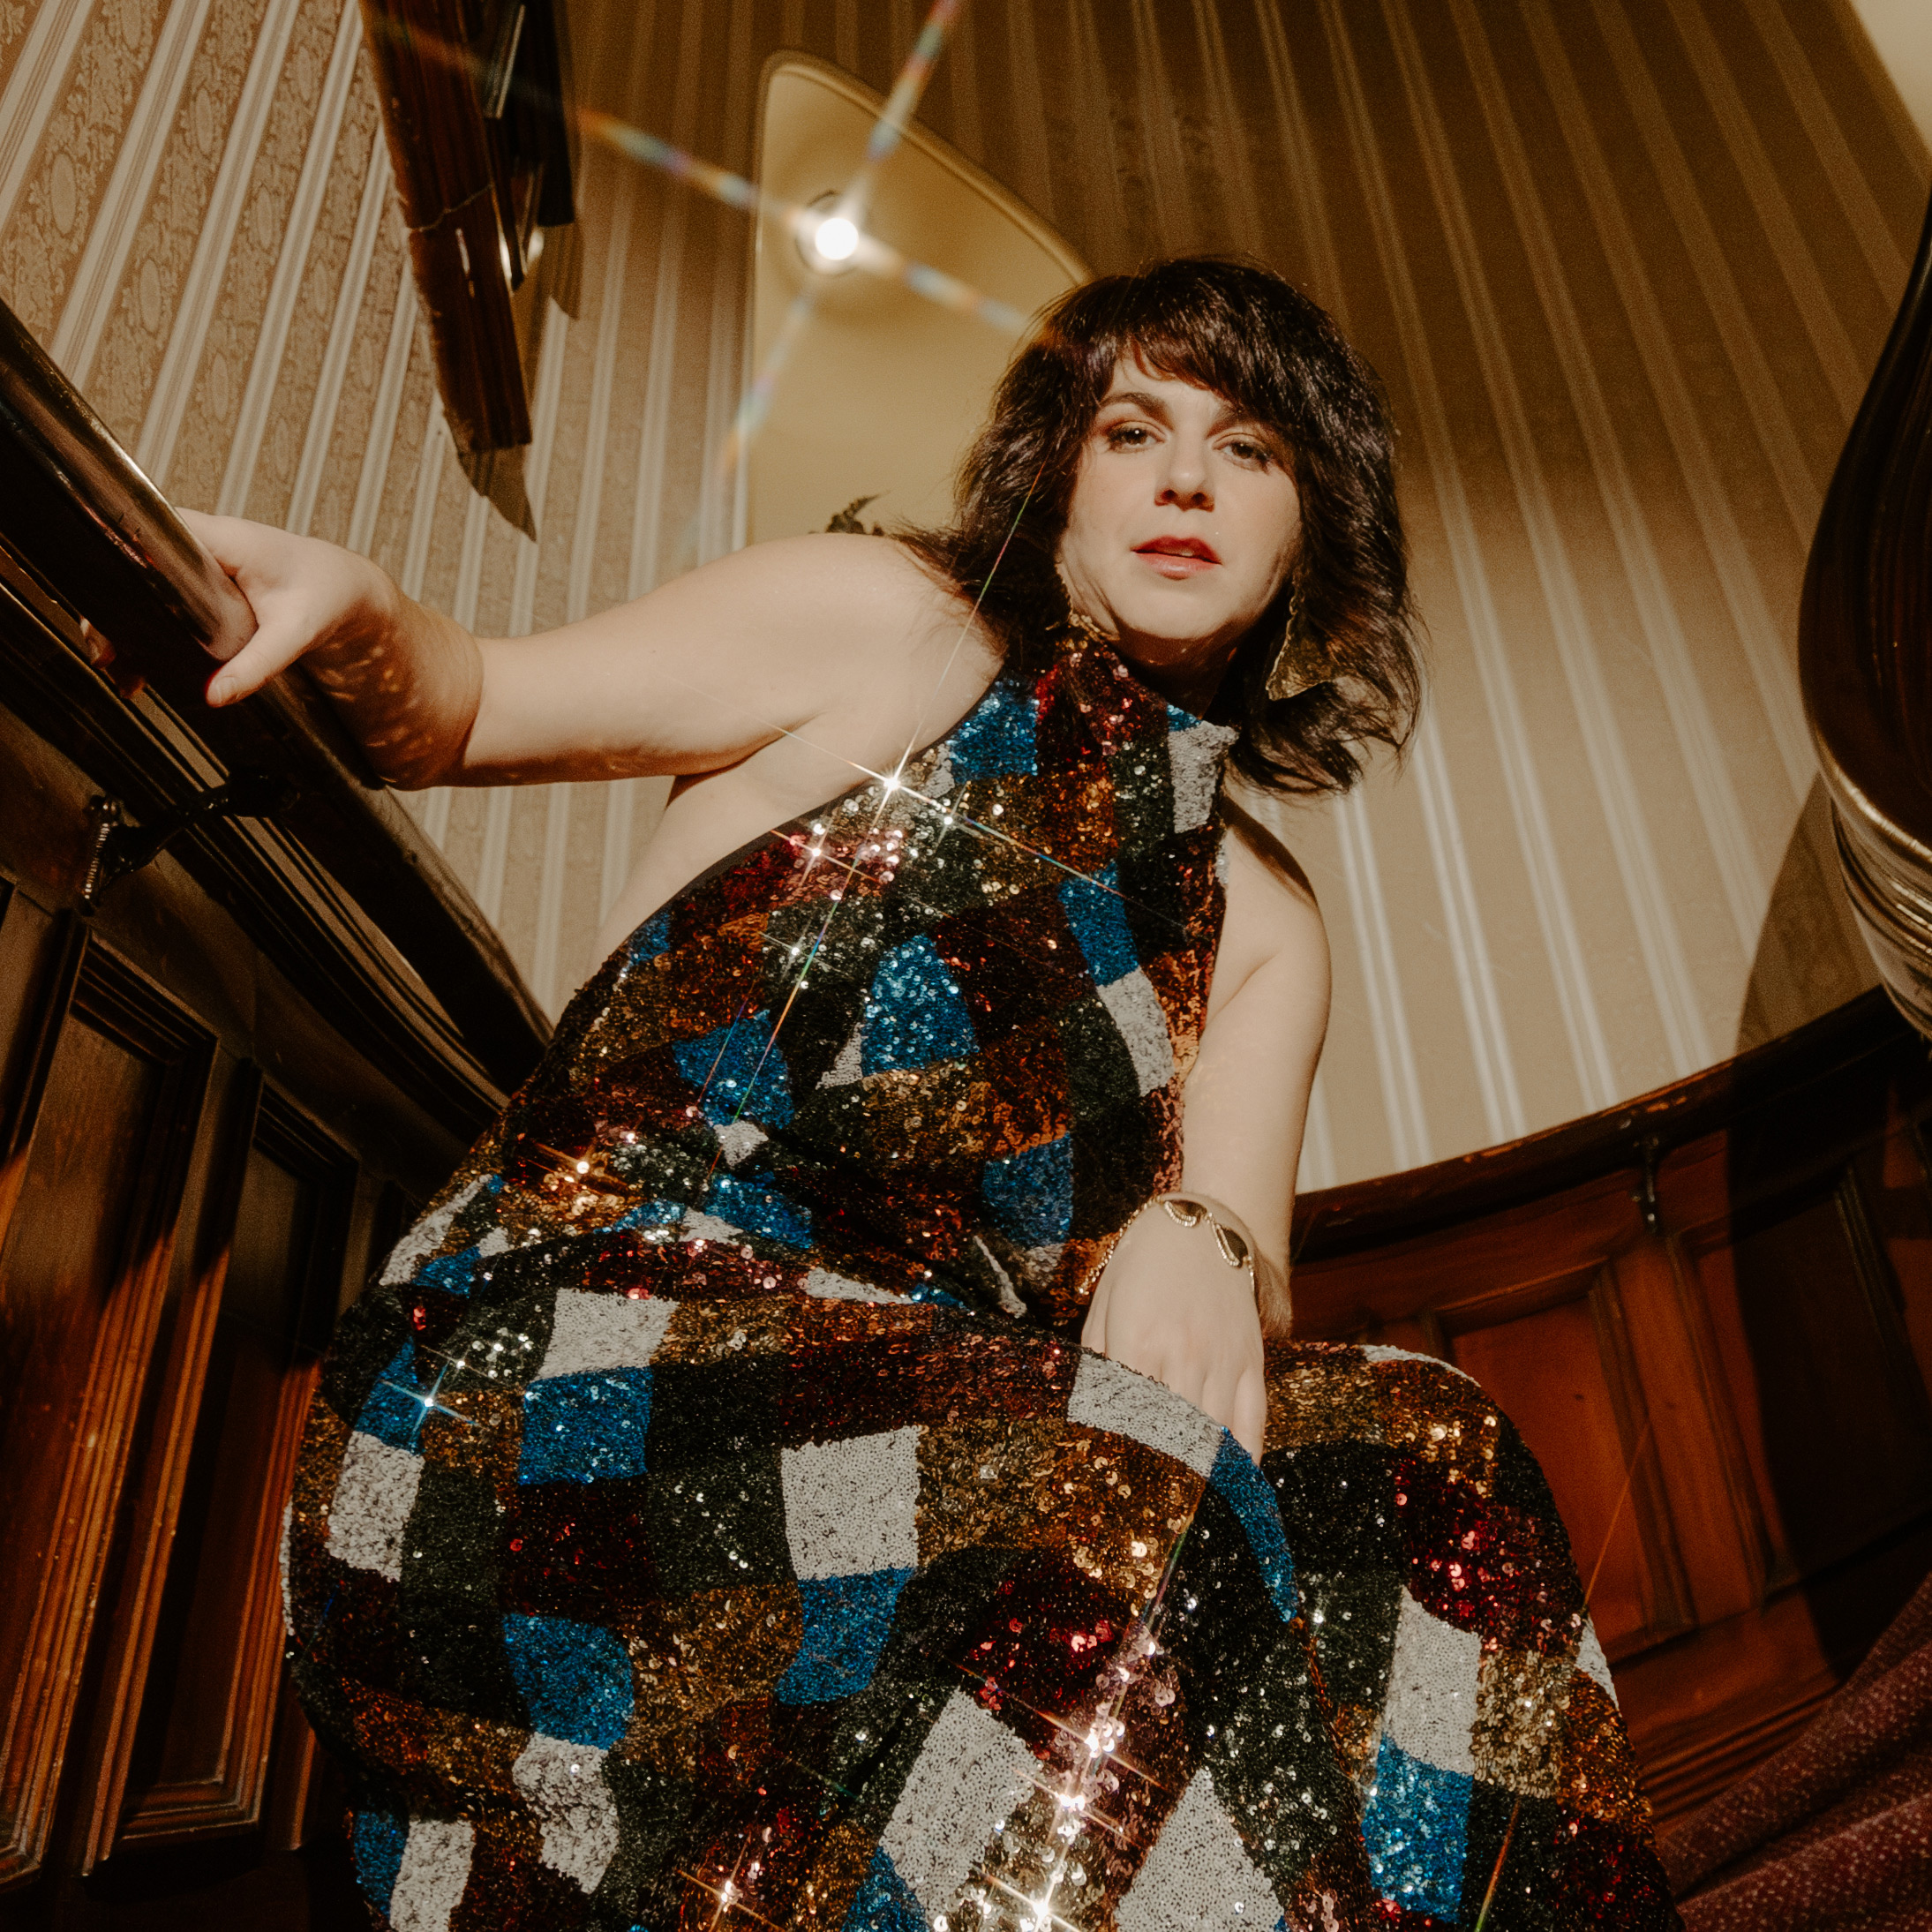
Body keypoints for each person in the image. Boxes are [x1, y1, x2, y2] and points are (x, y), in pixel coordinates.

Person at [199, 258, 1675, 1928]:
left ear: (1307, 536)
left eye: (1249, 448)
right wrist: (353, 613)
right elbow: (465, 699)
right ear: (1057, 474)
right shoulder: (893, 624)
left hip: (948, 1444)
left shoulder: (1262, 917)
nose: (1186, 478)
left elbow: (1238, 1261)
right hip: (550, 1364)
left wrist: (1200, 1228)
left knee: (1426, 1448)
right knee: (1109, 1485)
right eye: (1134, 429)